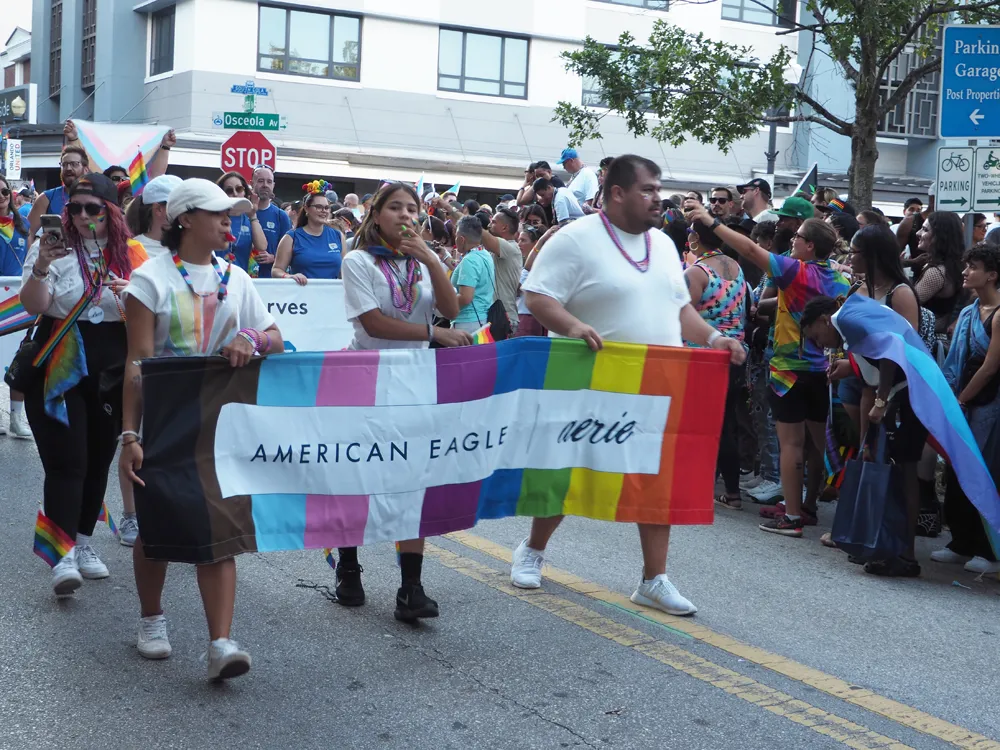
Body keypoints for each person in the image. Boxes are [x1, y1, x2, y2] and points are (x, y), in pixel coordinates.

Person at [510, 155, 745, 615]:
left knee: (655, 479)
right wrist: (573, 326)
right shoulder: (575, 238)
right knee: (568, 469)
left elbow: (679, 308)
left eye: (658, 189)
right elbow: (536, 295)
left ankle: (653, 579)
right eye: (648, 189)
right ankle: (532, 550)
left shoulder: (663, 245)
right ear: (617, 193)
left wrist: (714, 337)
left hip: (655, 382)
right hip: (589, 379)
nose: (658, 198)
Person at [120, 178, 283, 678]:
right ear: (185, 219)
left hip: (224, 416)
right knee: (158, 521)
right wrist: (130, 436)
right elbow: (137, 363)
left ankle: (220, 643)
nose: (228, 221)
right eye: (218, 213)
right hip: (167, 417)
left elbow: (275, 337)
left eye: (231, 214)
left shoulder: (238, 277)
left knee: (220, 524)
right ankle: (151, 618)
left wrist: (251, 337)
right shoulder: (149, 279)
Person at [335, 182, 471, 621]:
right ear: (376, 215)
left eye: (412, 208)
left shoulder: (423, 261)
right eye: (395, 207)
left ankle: (411, 586)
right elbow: (374, 324)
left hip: (414, 382)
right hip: (366, 379)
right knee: (359, 474)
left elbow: (451, 308)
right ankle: (348, 566)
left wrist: (431, 259)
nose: (405, 215)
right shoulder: (357, 261)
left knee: (414, 479)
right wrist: (433, 334)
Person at [686, 202, 850, 538]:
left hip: (789, 371)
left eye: (798, 237)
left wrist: (712, 222)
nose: (792, 241)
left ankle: (791, 516)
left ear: (810, 246)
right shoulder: (838, 278)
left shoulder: (795, 271)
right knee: (817, 444)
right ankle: (808, 506)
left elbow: (749, 249)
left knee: (791, 444)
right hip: (823, 370)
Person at [19, 174, 148, 595]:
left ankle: (83, 540)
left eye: (93, 208)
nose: (81, 215)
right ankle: (62, 554)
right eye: (74, 208)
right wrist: (42, 265)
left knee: (97, 460)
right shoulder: (51, 248)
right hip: (58, 360)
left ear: (111, 212)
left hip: (112, 364)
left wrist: (132, 294)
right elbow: (35, 305)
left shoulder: (133, 254)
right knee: (67, 461)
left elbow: (155, 313)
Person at [800, 294, 927, 576]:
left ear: (824, 320)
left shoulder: (848, 319)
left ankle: (905, 556)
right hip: (901, 393)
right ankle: (881, 545)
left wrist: (881, 401)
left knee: (903, 471)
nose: (821, 344)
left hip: (908, 394)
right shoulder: (849, 320)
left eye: (817, 336)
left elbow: (890, 348)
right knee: (881, 465)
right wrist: (852, 368)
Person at [937, 243, 1000, 576]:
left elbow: (990, 367)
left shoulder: (999, 314)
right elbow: (954, 362)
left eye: (973, 267)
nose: (965, 271)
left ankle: (986, 549)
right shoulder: (968, 312)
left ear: (992, 275)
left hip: (991, 406)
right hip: (964, 400)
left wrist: (961, 400)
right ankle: (960, 542)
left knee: (986, 473)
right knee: (957, 470)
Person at [683, 220, 748, 510]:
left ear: (696, 238)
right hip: (735, 355)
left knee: (696, 423)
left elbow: (682, 314)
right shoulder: (736, 268)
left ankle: (694, 484)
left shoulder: (696, 272)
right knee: (725, 423)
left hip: (703, 356)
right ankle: (732, 492)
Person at [273, 189, 344, 284]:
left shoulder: (338, 236)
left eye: (327, 207)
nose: (324, 211)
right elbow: (276, 270)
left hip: (332, 292)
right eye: (318, 207)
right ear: (306, 209)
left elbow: (344, 272)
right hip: (302, 291)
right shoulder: (291, 237)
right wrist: (289, 276)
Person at [914, 211, 965, 343]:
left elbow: (905, 303)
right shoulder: (952, 265)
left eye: (925, 229)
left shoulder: (936, 272)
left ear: (940, 236)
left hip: (927, 342)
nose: (918, 233)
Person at [27, 146, 89, 239]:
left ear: (86, 170)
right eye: (64, 164)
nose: (68, 168)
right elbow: (29, 232)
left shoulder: (96, 197)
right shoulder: (46, 198)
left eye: (74, 164)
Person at [449, 216, 497, 333]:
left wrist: (443, 304)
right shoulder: (485, 254)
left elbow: (465, 297)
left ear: (461, 239)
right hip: (483, 319)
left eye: (456, 237)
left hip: (467, 323)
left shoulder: (469, 260)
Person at [216, 172, 266, 273]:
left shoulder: (249, 218)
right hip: (216, 275)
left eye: (239, 189)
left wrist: (253, 215)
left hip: (239, 277)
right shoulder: (214, 217)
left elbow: (262, 247)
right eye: (229, 191)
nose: (235, 194)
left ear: (245, 192)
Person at [125, 174, 183, 259]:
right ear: (158, 209)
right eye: (178, 205)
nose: (185, 211)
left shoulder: (189, 247)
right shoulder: (131, 250)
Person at [250, 166, 290, 278]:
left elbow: (290, 253)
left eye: (269, 181)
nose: (265, 185)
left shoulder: (281, 216)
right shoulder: (242, 211)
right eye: (260, 181)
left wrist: (273, 258)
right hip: (244, 278)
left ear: (273, 185)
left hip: (270, 281)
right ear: (252, 183)